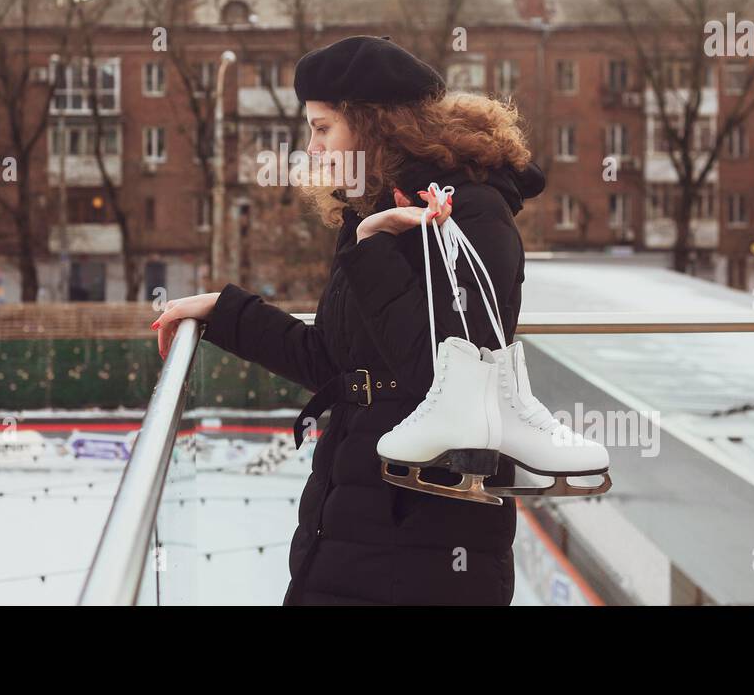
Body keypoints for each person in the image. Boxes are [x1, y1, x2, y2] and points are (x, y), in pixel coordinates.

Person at [151, 35, 545, 606]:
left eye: (321, 128)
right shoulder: (371, 217)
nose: (311, 148)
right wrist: (225, 311)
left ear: (373, 125)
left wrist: (372, 244)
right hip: (351, 510)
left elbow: (444, 375)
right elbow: (336, 363)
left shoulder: (472, 213)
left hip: (426, 531)